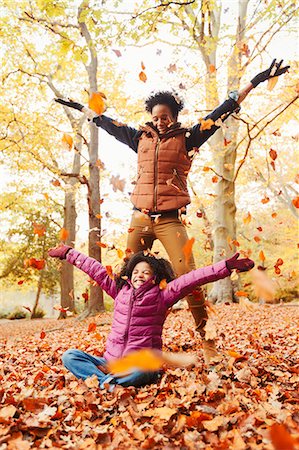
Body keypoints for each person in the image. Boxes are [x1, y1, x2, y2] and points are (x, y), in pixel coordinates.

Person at [55, 59, 289, 364]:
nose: (161, 121)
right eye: (156, 117)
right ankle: (123, 344)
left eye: (166, 116)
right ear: (151, 118)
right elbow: (105, 122)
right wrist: (79, 107)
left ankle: (206, 340)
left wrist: (256, 81)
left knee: (187, 277)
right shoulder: (138, 138)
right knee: (125, 280)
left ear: (174, 117)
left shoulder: (188, 138)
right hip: (138, 219)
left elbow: (223, 109)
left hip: (169, 220)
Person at [48, 244, 254, 388]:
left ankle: (106, 382)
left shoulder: (162, 296)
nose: (139, 275)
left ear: (155, 277)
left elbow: (192, 279)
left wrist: (225, 268)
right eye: (136, 271)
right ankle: (109, 383)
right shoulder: (120, 291)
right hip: (110, 362)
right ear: (130, 273)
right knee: (70, 356)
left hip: (140, 364)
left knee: (145, 372)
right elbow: (96, 270)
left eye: (146, 272)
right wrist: (68, 253)